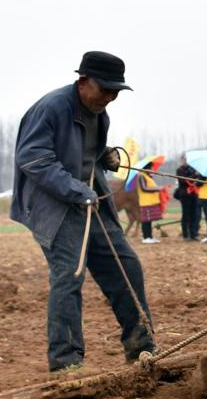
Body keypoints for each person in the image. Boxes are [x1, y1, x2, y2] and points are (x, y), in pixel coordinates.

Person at [11, 50, 156, 372]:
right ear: (83, 81)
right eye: (105, 89)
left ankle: (142, 349)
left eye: (115, 91)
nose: (110, 97)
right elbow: (33, 159)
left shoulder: (98, 112)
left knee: (127, 267)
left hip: (92, 201)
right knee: (69, 276)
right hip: (56, 207)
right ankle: (65, 362)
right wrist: (77, 190)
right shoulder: (52, 108)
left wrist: (104, 156)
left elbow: (81, 150)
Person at [174, 159, 202, 241]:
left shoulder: (193, 169)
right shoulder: (180, 170)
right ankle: (185, 235)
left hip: (194, 194)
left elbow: (198, 182)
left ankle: (193, 234)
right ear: (182, 160)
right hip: (185, 195)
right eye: (185, 160)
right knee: (186, 215)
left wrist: (198, 177)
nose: (186, 161)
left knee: (194, 215)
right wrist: (195, 176)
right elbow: (183, 181)